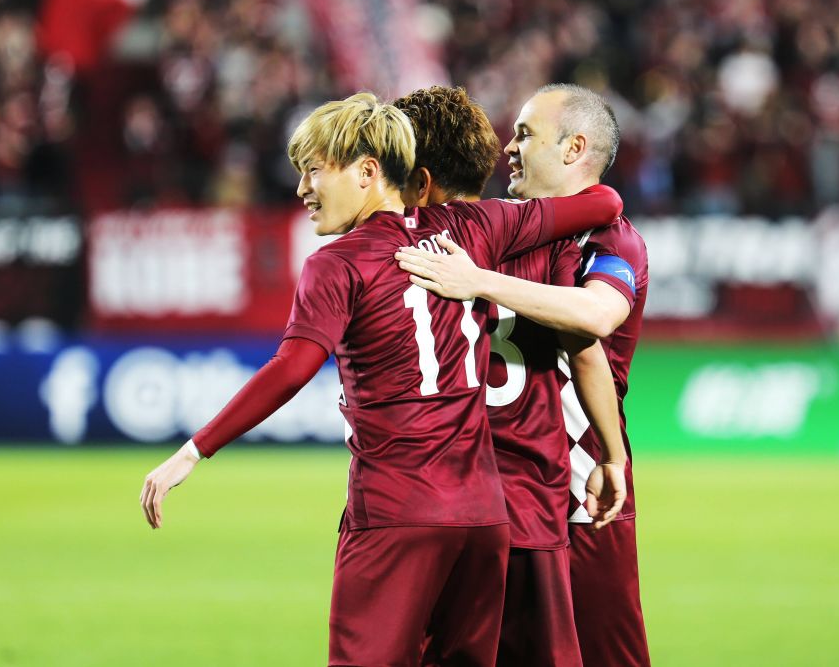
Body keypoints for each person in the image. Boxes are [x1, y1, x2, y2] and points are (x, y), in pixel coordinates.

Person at [139, 92, 625, 667]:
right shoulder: (471, 229)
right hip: (483, 518)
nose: (301, 190)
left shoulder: (337, 263)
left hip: (396, 512)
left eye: (314, 170)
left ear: (369, 172)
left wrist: (194, 451)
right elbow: (605, 201)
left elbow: (292, 368)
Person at [396, 83, 651, 666]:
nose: (508, 148)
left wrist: (480, 281)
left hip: (579, 497)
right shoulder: (496, 228)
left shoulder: (608, 239)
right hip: (496, 494)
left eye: (524, 134)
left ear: (573, 148)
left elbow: (597, 316)